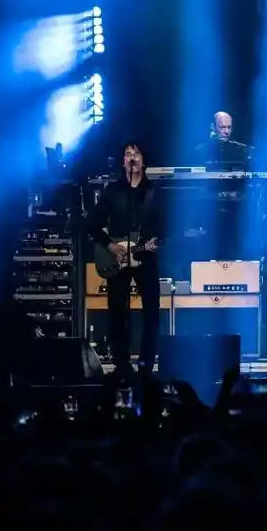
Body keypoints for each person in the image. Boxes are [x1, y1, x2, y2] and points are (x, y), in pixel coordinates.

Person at [87, 142, 167, 377]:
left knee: (151, 311)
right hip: (118, 259)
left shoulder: (154, 192)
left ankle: (146, 365)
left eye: (137, 154)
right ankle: (121, 363)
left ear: (144, 160)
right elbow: (92, 225)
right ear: (123, 161)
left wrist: (156, 240)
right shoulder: (112, 192)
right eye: (128, 154)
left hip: (145, 257)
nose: (132, 158)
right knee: (118, 311)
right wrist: (111, 246)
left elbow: (166, 226)